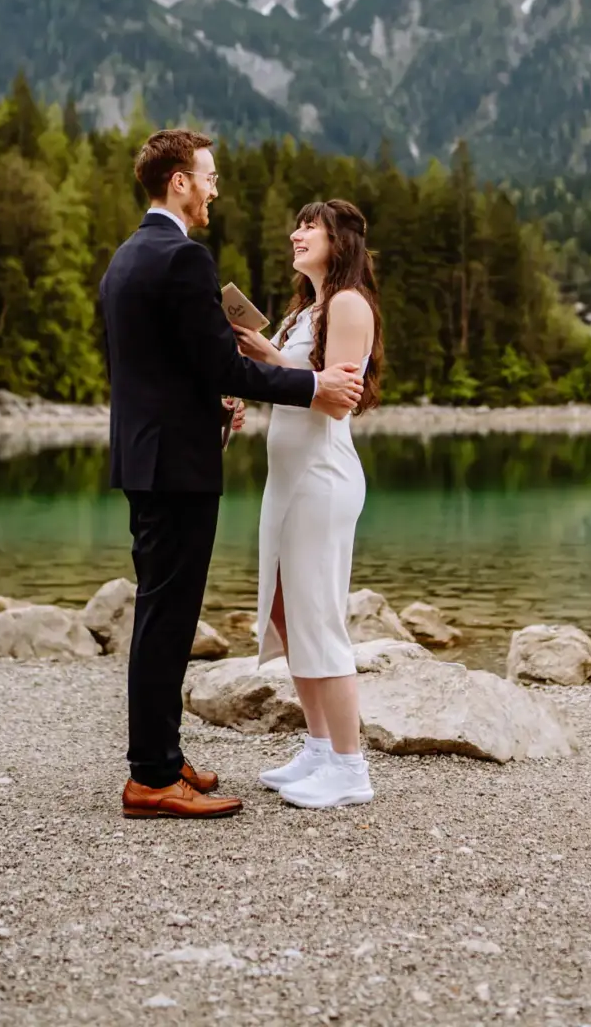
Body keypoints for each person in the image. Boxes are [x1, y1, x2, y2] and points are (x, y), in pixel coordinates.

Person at [99, 132, 365, 820]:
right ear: (181, 181)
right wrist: (308, 388)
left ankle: (162, 755)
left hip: (147, 456)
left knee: (164, 612)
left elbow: (161, 369)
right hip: (176, 469)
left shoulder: (128, 257)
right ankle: (152, 775)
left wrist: (213, 407)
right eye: (210, 178)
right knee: (167, 618)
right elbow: (216, 365)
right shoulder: (183, 258)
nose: (215, 190)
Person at [234, 199, 383, 809]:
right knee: (284, 615)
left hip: (322, 475)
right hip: (287, 478)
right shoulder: (303, 312)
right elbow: (291, 383)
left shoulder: (347, 305)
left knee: (318, 618)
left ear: (338, 240)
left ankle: (351, 769)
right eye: (295, 224)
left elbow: (337, 400)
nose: (296, 234)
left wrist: (268, 363)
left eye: (310, 227)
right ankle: (319, 748)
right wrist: (247, 382)